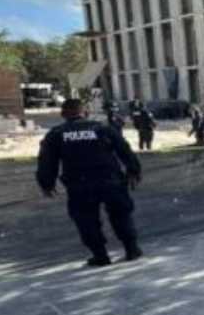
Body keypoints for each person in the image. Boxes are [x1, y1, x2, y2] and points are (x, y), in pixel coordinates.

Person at [36, 98, 143, 267]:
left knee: (86, 220)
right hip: (110, 181)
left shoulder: (56, 134)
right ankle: (132, 249)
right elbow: (124, 150)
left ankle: (100, 256)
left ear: (63, 114)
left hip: (79, 185)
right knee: (121, 214)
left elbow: (47, 161)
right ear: (85, 112)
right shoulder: (102, 129)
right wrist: (133, 171)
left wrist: (46, 184)